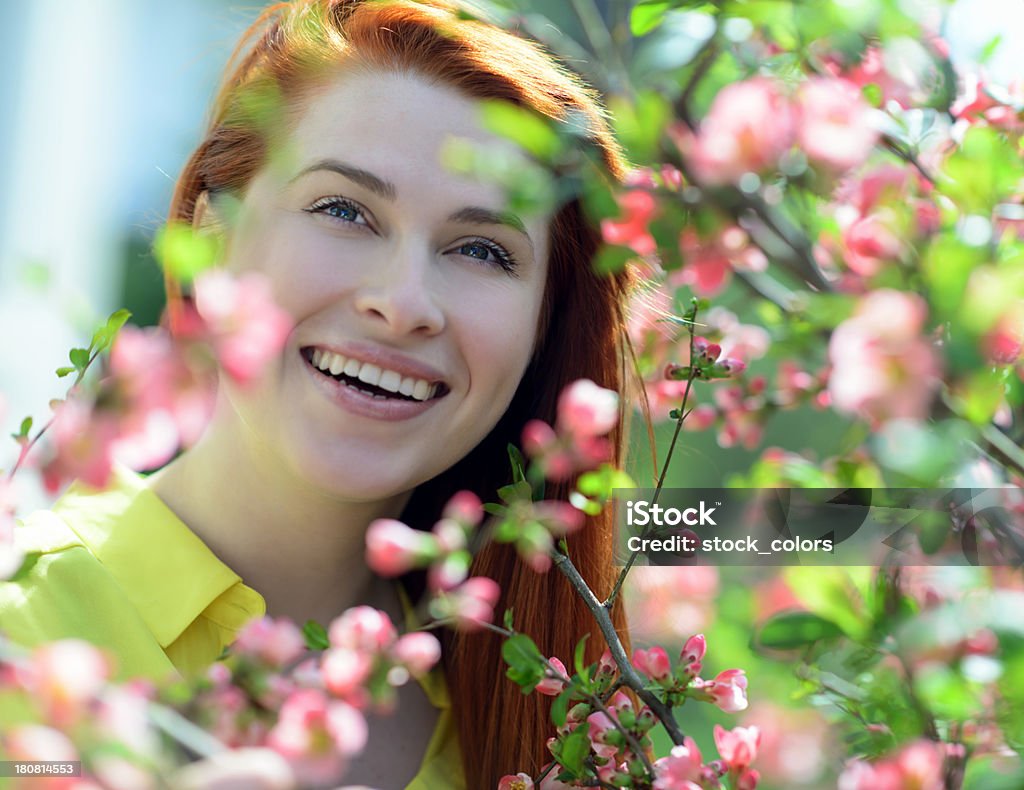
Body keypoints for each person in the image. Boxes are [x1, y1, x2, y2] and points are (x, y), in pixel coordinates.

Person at [1, 0, 638, 786]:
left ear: (543, 327)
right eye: (343, 210)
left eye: (481, 249)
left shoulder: (551, 734)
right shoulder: (19, 626)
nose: (403, 303)